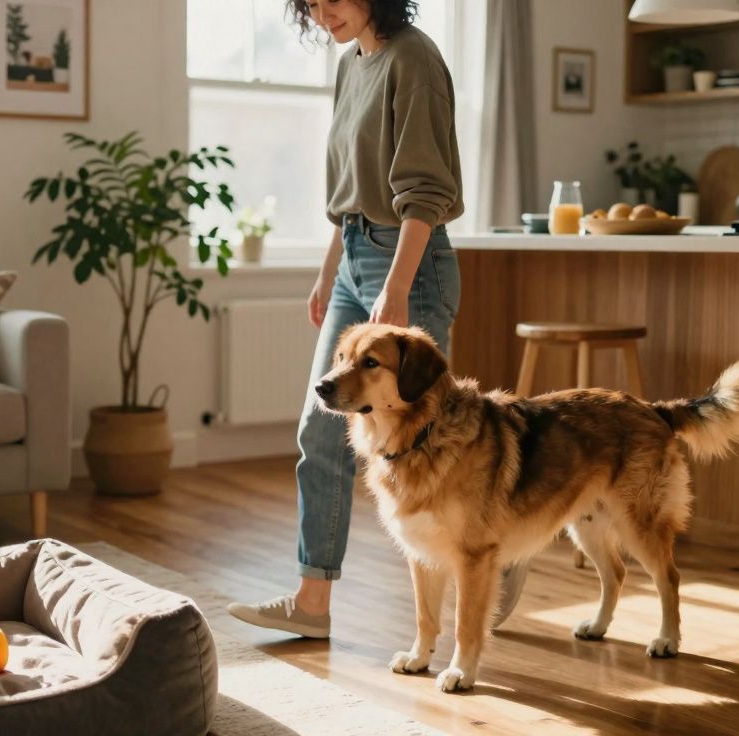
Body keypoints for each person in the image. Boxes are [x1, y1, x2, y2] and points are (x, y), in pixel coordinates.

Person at [227, 0, 528, 638]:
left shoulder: (413, 58)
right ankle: (313, 603)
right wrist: (327, 272)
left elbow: (424, 193)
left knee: (429, 440)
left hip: (409, 260)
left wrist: (395, 288)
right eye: (311, 3)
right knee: (321, 427)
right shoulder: (350, 65)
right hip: (354, 260)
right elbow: (349, 197)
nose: (323, 11)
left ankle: (498, 550)